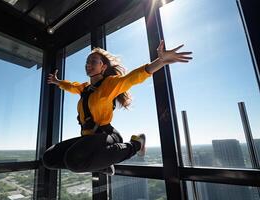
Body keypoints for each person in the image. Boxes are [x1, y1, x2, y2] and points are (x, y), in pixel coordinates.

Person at [42, 40, 192, 175]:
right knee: (49, 158)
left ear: (103, 66)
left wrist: (161, 61)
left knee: (74, 161)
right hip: (88, 139)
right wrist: (57, 82)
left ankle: (136, 144)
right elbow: (70, 86)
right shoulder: (84, 88)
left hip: (107, 135)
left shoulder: (110, 84)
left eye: (93, 61)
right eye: (87, 62)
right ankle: (102, 164)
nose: (88, 64)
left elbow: (133, 78)